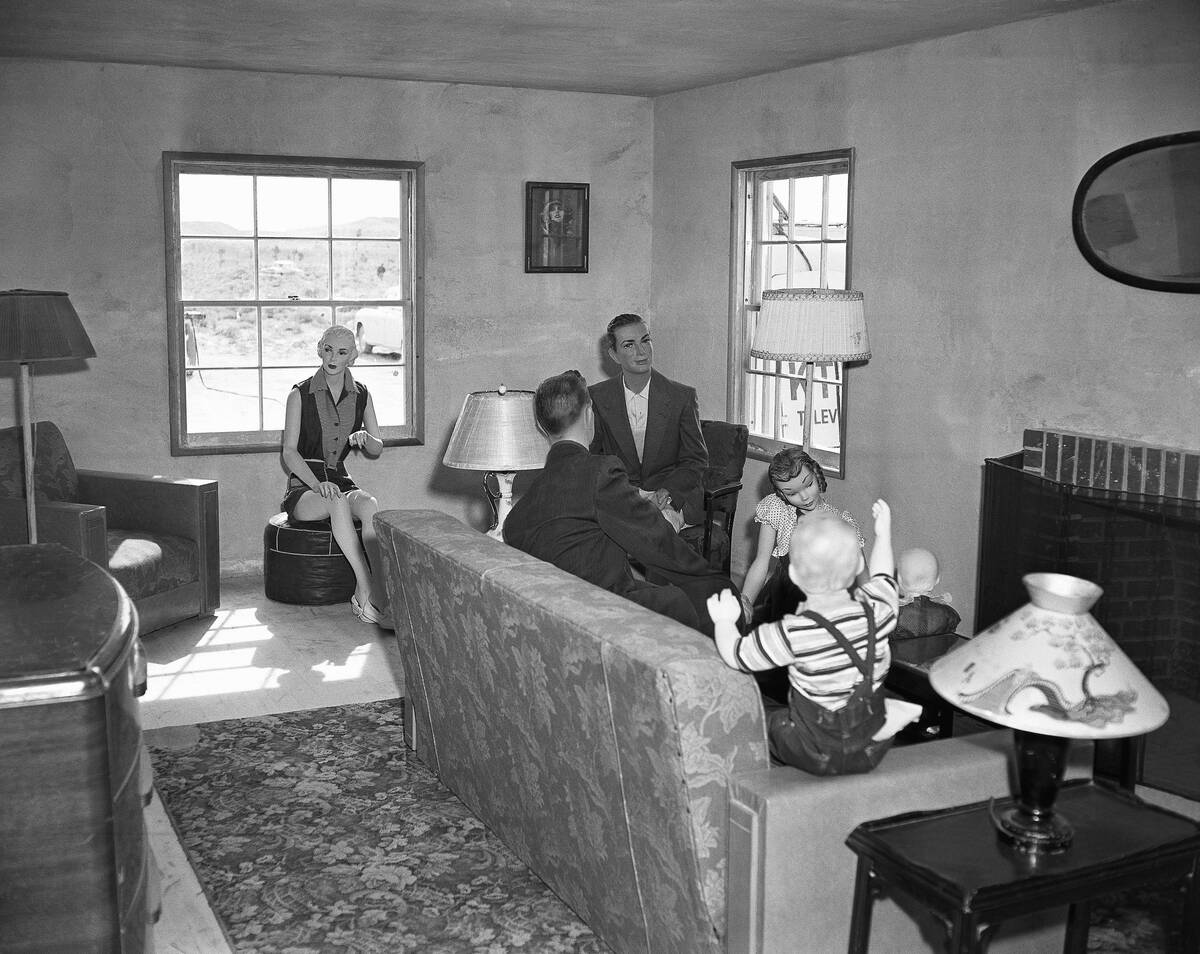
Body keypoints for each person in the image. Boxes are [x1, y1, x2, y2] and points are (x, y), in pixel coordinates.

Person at [503, 370, 738, 637]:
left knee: (673, 596)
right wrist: (722, 588)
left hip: (561, 620)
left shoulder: (518, 516)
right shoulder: (600, 472)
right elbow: (657, 542)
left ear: (542, 427)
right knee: (702, 606)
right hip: (607, 616)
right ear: (589, 415)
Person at [707, 500, 900, 775]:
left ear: (794, 575)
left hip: (815, 751)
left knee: (770, 722)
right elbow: (882, 578)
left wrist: (724, 620)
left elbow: (736, 655)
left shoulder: (794, 632)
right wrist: (883, 535)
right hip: (871, 745)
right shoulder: (878, 610)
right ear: (858, 565)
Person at [281, 325, 389, 627]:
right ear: (319, 348)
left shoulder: (362, 394)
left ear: (352, 357)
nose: (332, 356)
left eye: (341, 352)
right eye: (328, 349)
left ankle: (377, 589)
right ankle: (365, 589)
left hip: (340, 479)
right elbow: (289, 453)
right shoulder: (299, 394)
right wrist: (318, 484)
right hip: (304, 485)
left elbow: (377, 447)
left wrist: (365, 437)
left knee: (369, 504)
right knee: (337, 501)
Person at [588, 314, 707, 531]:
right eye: (629, 345)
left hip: (670, 497)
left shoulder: (681, 396)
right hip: (621, 496)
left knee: (654, 532)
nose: (641, 351)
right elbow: (594, 459)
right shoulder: (597, 397)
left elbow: (695, 459)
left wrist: (668, 491)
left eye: (645, 340)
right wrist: (627, 495)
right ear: (614, 355)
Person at [740, 447, 863, 626]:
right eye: (792, 493)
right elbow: (761, 562)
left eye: (809, 484)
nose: (805, 497)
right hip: (780, 597)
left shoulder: (841, 523)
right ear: (781, 493)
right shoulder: (777, 509)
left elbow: (860, 576)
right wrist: (745, 602)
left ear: (816, 474)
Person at [894, 547, 961, 641]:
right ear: (937, 580)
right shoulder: (948, 612)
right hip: (938, 655)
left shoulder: (894, 614)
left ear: (899, 580)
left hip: (901, 655)